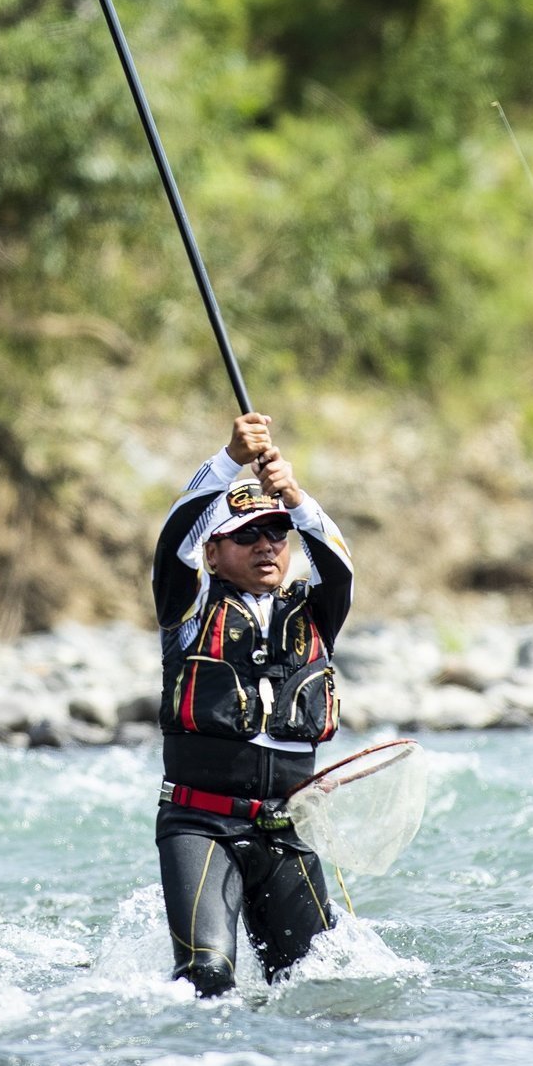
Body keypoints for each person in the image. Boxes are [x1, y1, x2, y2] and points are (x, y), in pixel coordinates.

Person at [151, 411, 354, 996]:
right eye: (246, 535)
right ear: (213, 553)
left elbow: (339, 563)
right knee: (207, 978)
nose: (267, 545)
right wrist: (227, 460)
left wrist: (296, 498)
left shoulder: (315, 612)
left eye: (276, 534)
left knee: (321, 988)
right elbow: (174, 540)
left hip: (287, 832)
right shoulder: (185, 613)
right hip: (201, 826)